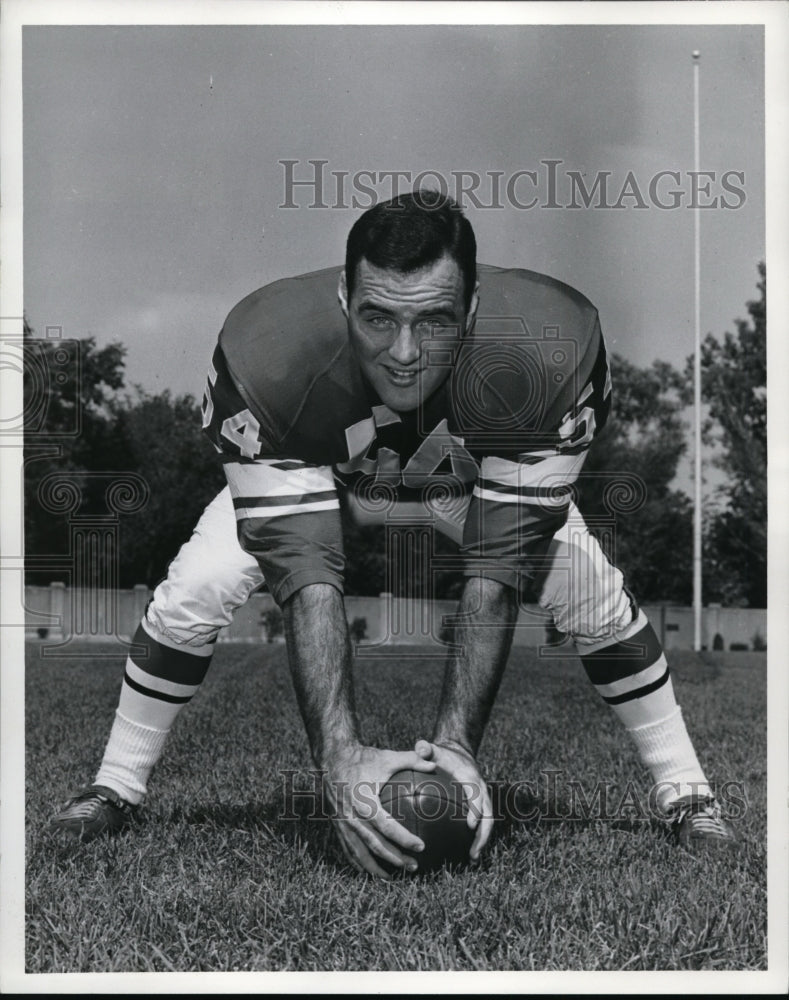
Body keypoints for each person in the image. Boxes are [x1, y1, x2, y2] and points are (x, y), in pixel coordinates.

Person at [52, 193, 735, 874]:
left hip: (466, 486)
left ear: (470, 308)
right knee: (200, 583)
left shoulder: (546, 349)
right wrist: (339, 757)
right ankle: (115, 783)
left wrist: (455, 747)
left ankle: (686, 793)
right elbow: (307, 582)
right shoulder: (271, 354)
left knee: (588, 589)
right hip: (328, 478)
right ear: (343, 297)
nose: (404, 353)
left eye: (435, 320)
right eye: (379, 317)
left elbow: (495, 577)